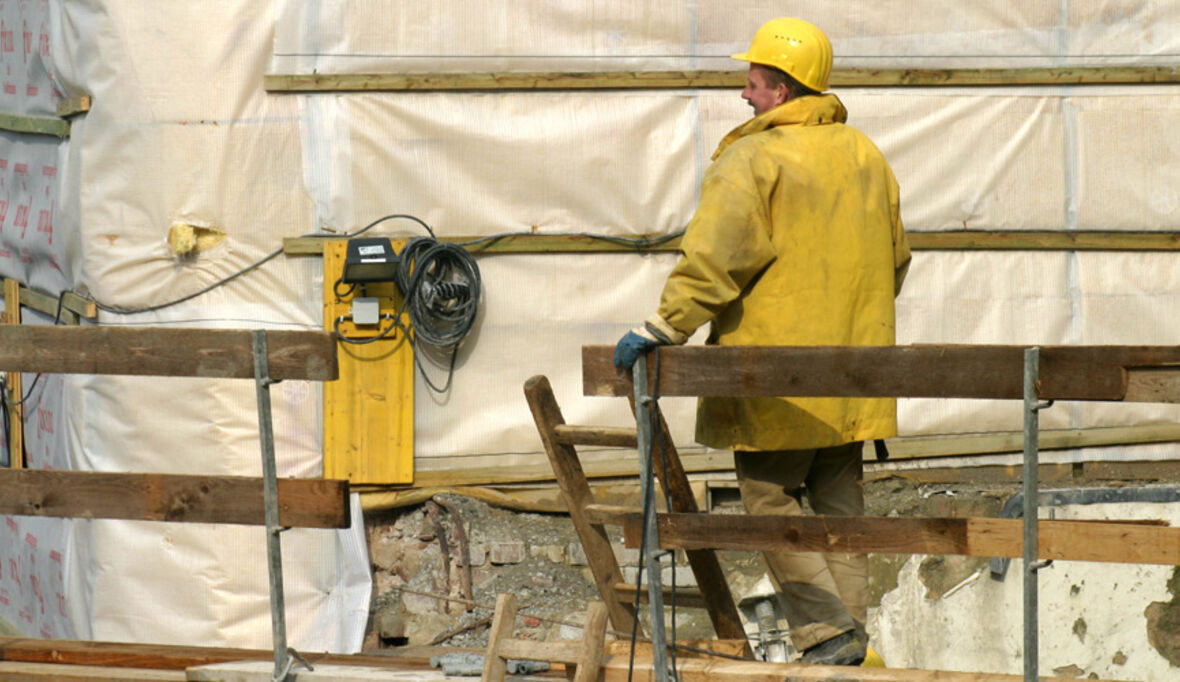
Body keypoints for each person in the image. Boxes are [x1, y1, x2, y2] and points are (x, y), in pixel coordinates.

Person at [613, 17, 910, 666]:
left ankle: (827, 634)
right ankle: (851, 642)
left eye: (751, 83)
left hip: (777, 382)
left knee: (767, 496)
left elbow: (714, 259)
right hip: (855, 376)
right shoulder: (867, 156)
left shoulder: (753, 159)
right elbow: (897, 259)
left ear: (779, 89)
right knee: (841, 510)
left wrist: (661, 328)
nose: (744, 95)